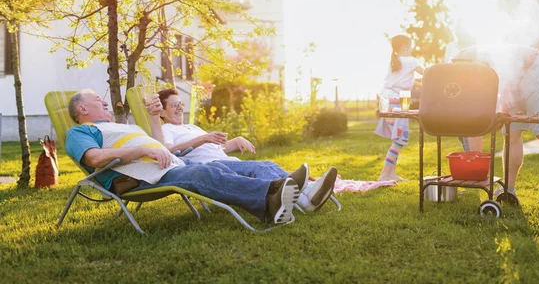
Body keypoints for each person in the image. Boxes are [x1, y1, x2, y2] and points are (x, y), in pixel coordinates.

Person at [65, 89, 300, 224]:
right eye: (98, 100)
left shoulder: (124, 127)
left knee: (224, 165)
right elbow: (95, 158)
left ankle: (287, 189)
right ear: (83, 110)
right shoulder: (80, 132)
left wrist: (155, 117)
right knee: (203, 173)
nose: (105, 101)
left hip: (165, 164)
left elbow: (158, 146)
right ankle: (269, 202)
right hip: (137, 177)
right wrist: (143, 150)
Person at [156, 88, 338, 212]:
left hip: (226, 161)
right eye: (174, 105)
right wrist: (203, 138)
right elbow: (170, 151)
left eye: (180, 104)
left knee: (266, 164)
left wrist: (236, 140)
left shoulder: (192, 128)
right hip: (213, 167)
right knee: (260, 168)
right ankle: (306, 199)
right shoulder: (166, 130)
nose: (180, 108)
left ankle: (309, 191)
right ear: (162, 112)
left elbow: (217, 148)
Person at [453, 45, 539, 204]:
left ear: (468, 61)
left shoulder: (486, 58)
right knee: (511, 133)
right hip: (518, 77)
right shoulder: (476, 71)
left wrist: (507, 91)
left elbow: (509, 71)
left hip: (535, 67)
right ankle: (508, 188)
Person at [375, 34, 424, 182]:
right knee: (398, 140)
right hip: (396, 103)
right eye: (410, 46)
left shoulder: (395, 62)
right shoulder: (411, 61)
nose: (411, 49)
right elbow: (428, 73)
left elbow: (404, 81)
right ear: (404, 46)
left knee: (397, 139)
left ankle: (391, 174)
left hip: (385, 102)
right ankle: (384, 174)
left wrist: (420, 85)